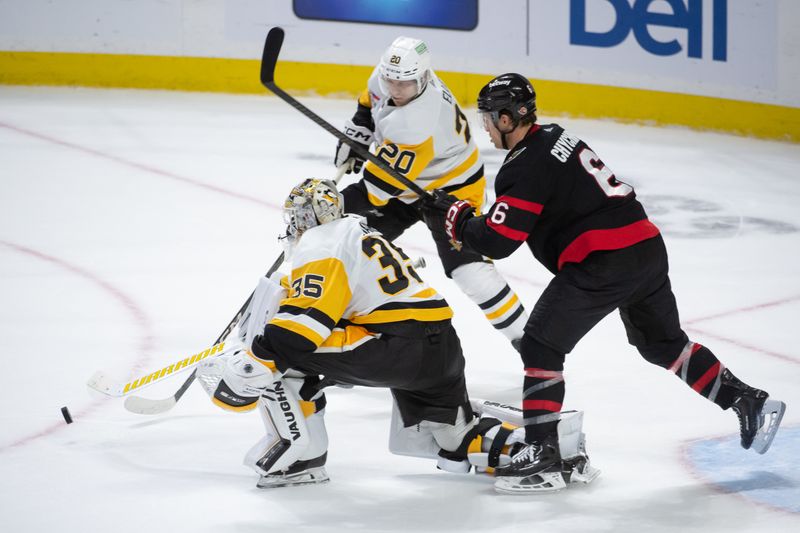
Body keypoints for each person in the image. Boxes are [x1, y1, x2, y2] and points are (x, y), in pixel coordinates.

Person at [420, 73, 787, 494]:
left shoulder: (523, 166)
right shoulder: (555, 137)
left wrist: (455, 220)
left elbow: (500, 242)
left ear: (507, 119)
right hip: (645, 247)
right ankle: (747, 399)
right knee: (662, 343)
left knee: (540, 343)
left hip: (603, 261)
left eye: (488, 117)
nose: (484, 126)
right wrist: (462, 217)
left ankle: (543, 454)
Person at [195, 178, 599, 491]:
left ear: (307, 218)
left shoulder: (322, 242)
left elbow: (307, 320)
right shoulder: (362, 230)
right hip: (441, 347)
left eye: (296, 217)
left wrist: (259, 358)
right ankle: (552, 449)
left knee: (278, 358)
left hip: (396, 348)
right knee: (454, 436)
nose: (293, 225)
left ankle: (302, 461)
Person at [334, 36, 529, 349]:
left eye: (405, 84)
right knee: (349, 247)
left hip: (453, 189)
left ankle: (530, 342)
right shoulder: (391, 77)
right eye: (391, 81)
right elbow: (369, 101)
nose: (395, 90)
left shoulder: (415, 121)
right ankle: (345, 336)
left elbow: (374, 192)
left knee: (470, 272)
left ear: (423, 78)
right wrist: (361, 125)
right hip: (408, 184)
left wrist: (334, 203)